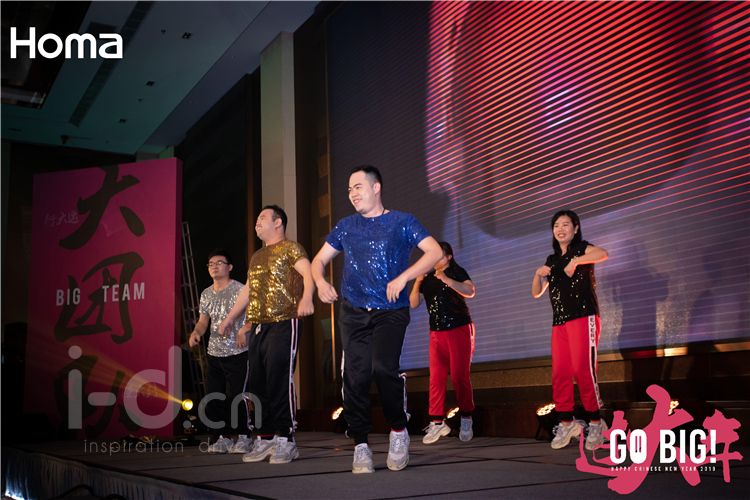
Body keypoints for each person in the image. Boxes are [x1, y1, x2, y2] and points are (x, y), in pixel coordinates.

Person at [312, 165, 442, 474]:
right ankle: (360, 444)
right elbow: (318, 260)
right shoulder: (346, 226)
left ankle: (398, 430)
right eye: (349, 189)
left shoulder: (402, 221)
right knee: (355, 377)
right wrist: (319, 282)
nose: (352, 194)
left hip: (390, 310)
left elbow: (434, 252)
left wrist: (405, 277)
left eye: (358, 187)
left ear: (376, 187)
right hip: (354, 311)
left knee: (383, 368)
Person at [220, 205, 315, 464]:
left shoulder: (291, 248)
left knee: (278, 377)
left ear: (278, 222)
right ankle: (265, 437)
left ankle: (286, 438)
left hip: (285, 321)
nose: (257, 223)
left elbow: (308, 272)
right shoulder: (257, 256)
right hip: (260, 325)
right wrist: (230, 318)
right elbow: (248, 291)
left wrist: (307, 297)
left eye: (262, 218)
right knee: (257, 382)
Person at [531, 209, 609, 451]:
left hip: (583, 316)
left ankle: (596, 422)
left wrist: (575, 261)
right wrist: (538, 274)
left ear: (575, 229)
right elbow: (536, 292)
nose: (560, 229)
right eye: (556, 225)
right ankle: (567, 422)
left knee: (583, 369)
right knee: (561, 372)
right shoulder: (552, 259)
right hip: (560, 322)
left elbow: (603, 253)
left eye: (566, 224)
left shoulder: (582, 249)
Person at [409, 241, 476, 444]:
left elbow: (470, 290)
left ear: (448, 257)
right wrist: (417, 282)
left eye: (440, 254)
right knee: (436, 377)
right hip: (436, 332)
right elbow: (413, 303)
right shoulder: (427, 277)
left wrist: (446, 279)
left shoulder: (456, 271)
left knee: (459, 376)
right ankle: (437, 421)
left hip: (459, 328)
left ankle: (466, 417)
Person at [188, 249, 252, 455]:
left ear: (230, 267)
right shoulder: (206, 293)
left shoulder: (240, 289)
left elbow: (254, 316)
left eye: (219, 263)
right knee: (213, 396)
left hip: (238, 351)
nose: (214, 267)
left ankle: (244, 436)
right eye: (210, 264)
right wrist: (196, 333)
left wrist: (244, 330)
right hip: (214, 353)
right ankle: (221, 437)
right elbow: (203, 321)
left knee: (237, 396)